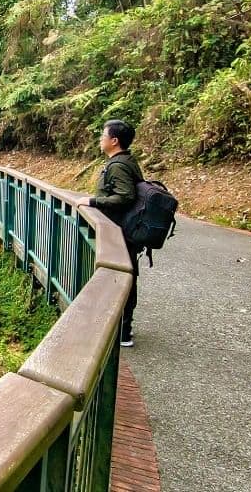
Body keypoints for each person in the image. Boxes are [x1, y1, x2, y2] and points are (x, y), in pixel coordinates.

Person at [80, 120, 143, 347]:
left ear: (114, 140)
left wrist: (94, 201)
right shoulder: (125, 161)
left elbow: (125, 196)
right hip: (123, 231)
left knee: (120, 278)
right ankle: (120, 328)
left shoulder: (118, 165)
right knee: (123, 276)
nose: (100, 139)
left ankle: (122, 331)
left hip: (121, 233)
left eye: (103, 135)